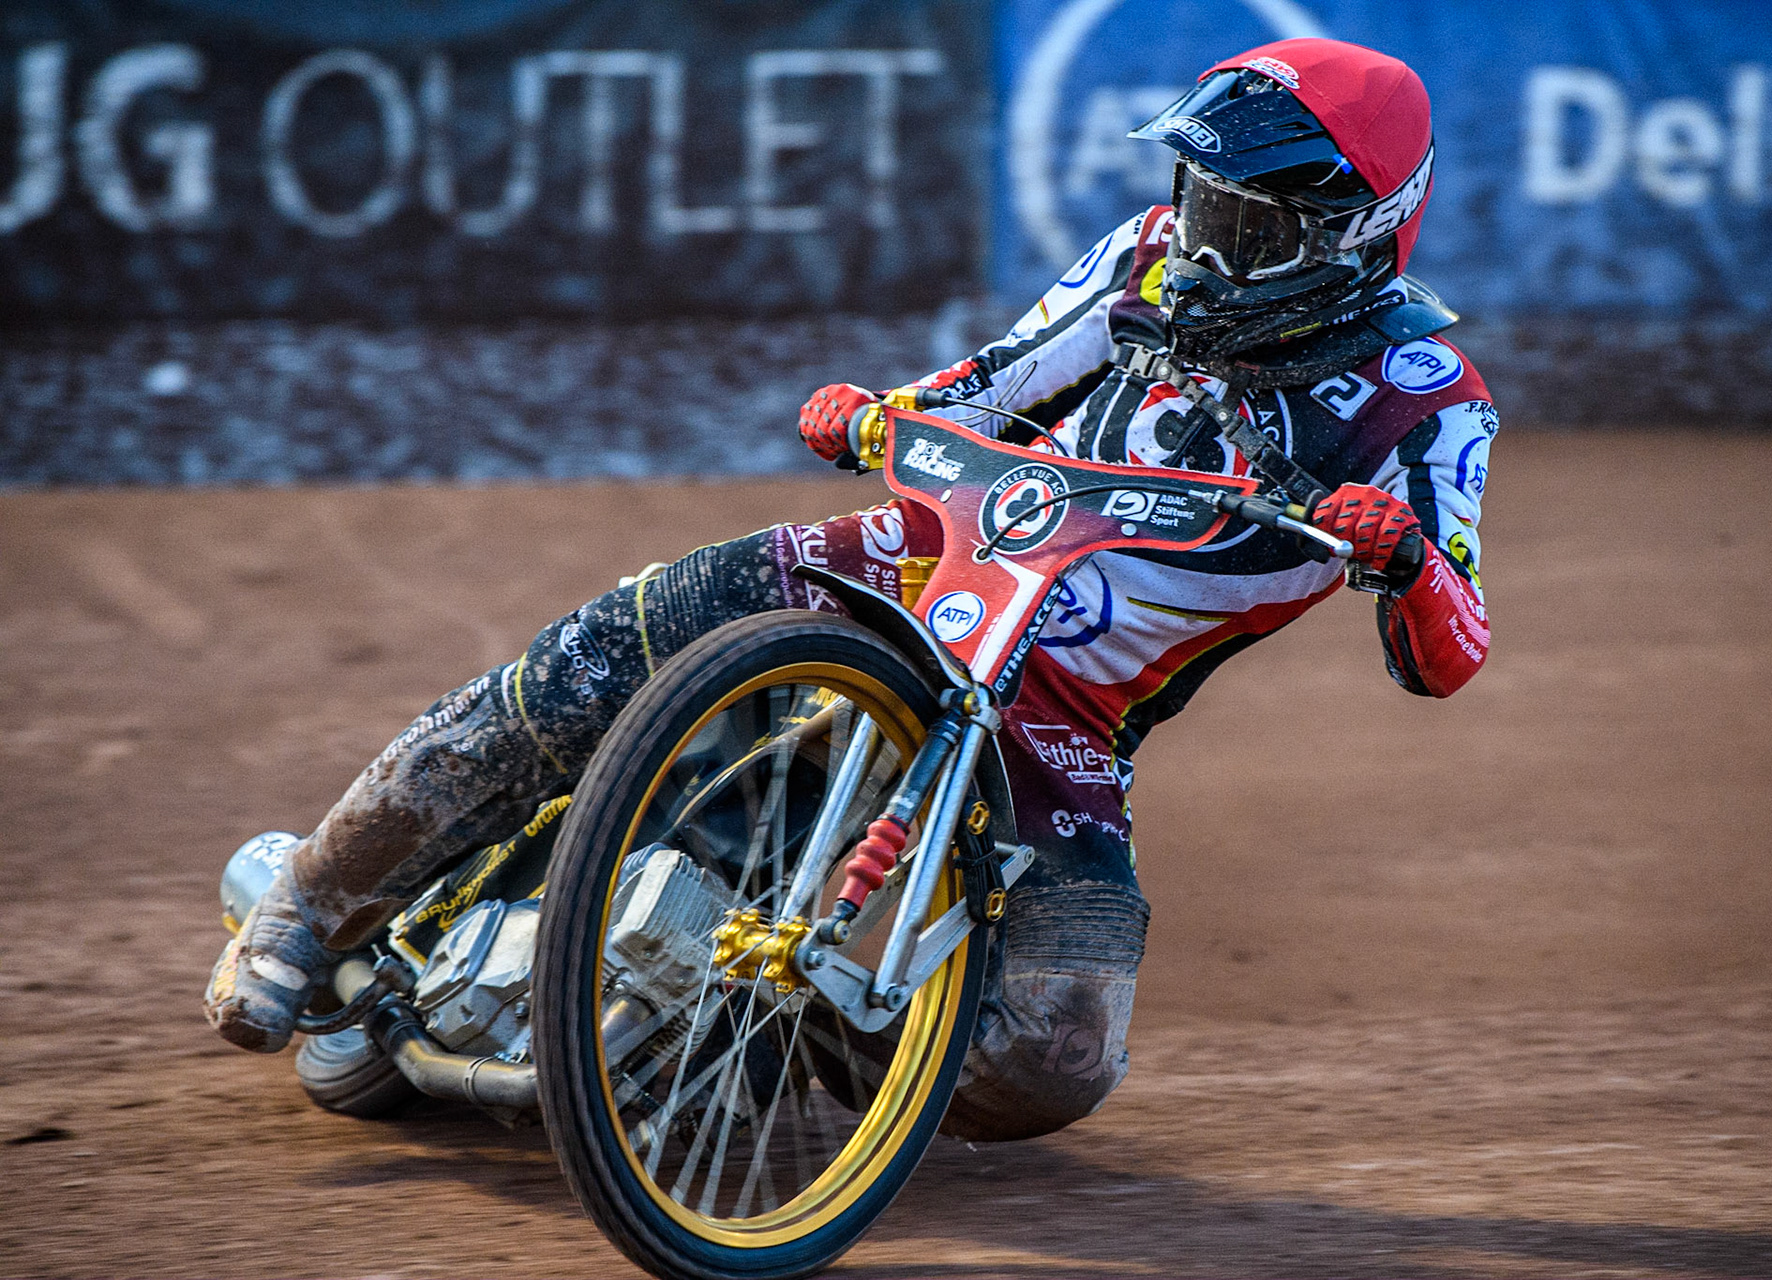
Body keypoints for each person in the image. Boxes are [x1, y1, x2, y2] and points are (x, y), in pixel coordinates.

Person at [206, 37, 1495, 1142]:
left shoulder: (1427, 404)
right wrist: (882, 412)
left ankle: (761, 1031)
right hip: (920, 562)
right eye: (1200, 198)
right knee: (595, 657)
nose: (1205, 238)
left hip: (1068, 716)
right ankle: (305, 911)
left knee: (1055, 1057)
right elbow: (989, 383)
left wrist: (1403, 560)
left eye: (1248, 223)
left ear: (1354, 231)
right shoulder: (1148, 257)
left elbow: (1453, 646)